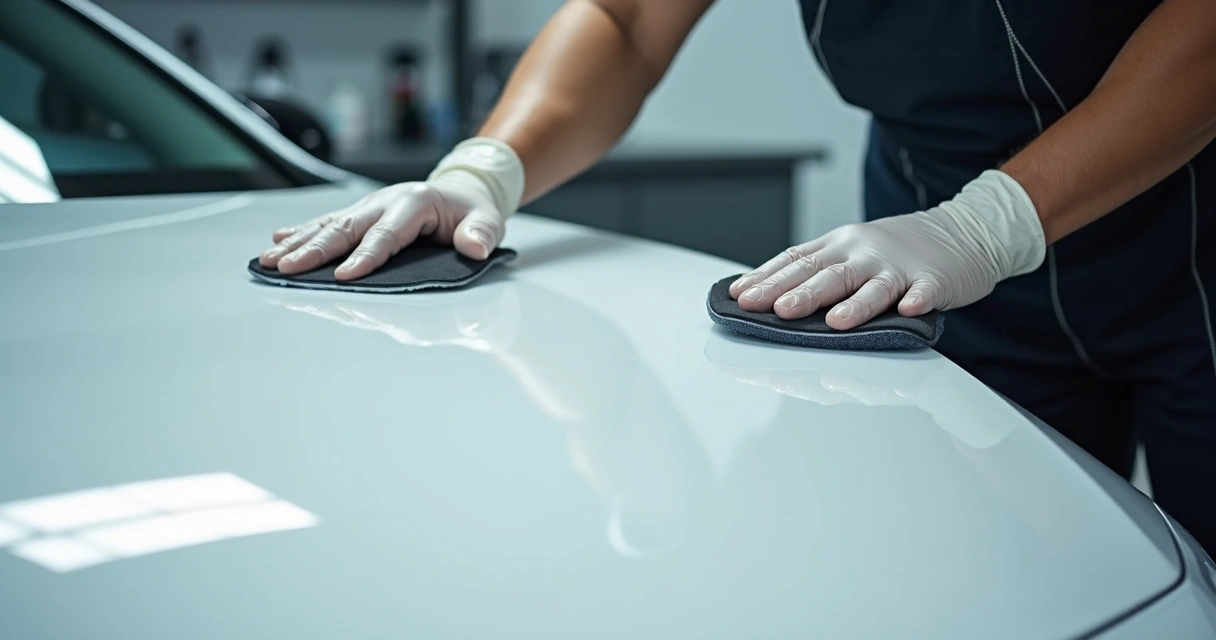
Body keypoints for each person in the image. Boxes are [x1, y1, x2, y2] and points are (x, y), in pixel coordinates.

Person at [259, 0, 1216, 551]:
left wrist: (990, 223)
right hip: (929, 258)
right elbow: (629, 23)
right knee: (1001, 574)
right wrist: (482, 172)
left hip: (1189, 237)